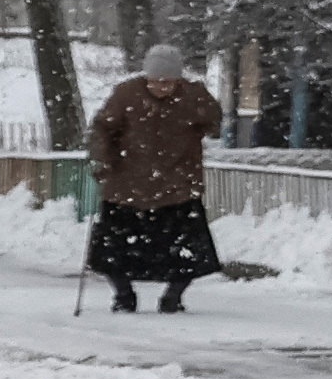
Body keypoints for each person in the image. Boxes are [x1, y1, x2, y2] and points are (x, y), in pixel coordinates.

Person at [86, 59, 229, 315]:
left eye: (167, 82)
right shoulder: (126, 94)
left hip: (177, 187)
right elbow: (101, 129)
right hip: (126, 186)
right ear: (146, 77)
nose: (161, 87)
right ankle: (123, 295)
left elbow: (214, 123)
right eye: (155, 81)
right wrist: (101, 159)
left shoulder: (191, 96)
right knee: (113, 253)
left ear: (177, 79)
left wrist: (201, 97)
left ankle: (172, 297)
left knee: (187, 253)